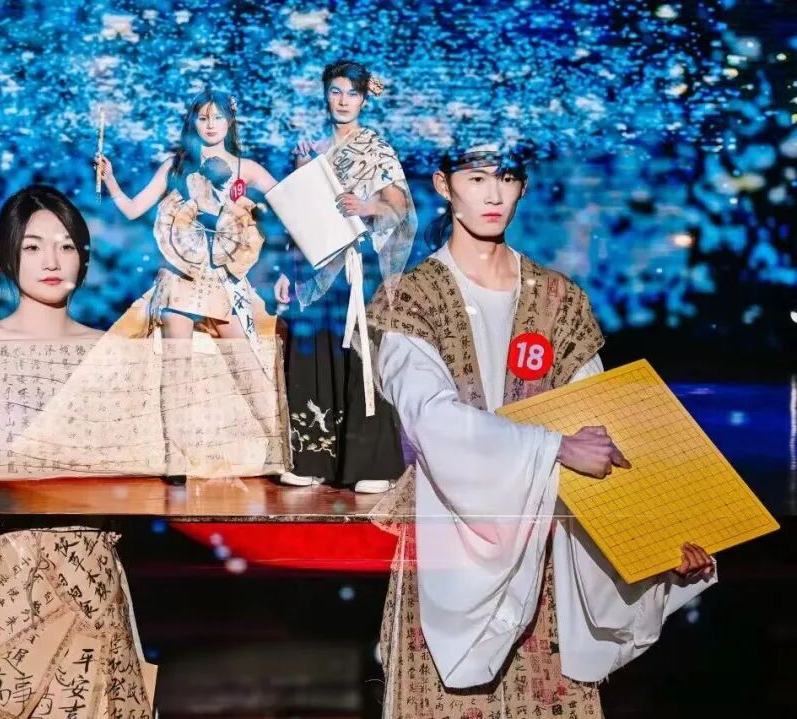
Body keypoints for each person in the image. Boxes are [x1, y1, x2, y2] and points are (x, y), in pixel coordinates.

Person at [368, 144, 717, 717]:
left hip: (550, 551)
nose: (492, 193)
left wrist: (662, 541)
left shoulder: (560, 301)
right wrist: (554, 447)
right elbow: (431, 419)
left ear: (524, 186)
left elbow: (603, 433)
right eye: (475, 178)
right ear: (443, 185)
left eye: (506, 177)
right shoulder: (411, 298)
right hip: (447, 542)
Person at [0, 185, 154, 718]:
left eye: (66, 246)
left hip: (84, 566)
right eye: (33, 246)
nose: (52, 261)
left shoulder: (110, 352)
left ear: (83, 257)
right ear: (5, 254)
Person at [95, 90, 280, 485]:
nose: (211, 125)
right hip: (180, 278)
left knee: (246, 366)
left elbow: (285, 201)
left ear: (230, 121)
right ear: (193, 121)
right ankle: (175, 459)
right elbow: (134, 208)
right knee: (176, 368)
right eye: (203, 117)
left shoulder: (247, 168)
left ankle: (280, 448)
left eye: (218, 117)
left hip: (224, 280)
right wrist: (110, 180)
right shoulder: (177, 165)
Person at [274, 59, 416, 493]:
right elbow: (296, 215)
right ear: (325, 94)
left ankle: (369, 463)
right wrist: (285, 269)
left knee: (360, 359)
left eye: (352, 93)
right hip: (315, 267)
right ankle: (312, 458)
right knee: (311, 356)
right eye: (335, 91)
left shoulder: (376, 148)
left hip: (356, 267)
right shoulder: (311, 147)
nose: (342, 101)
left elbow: (400, 207)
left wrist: (366, 206)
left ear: (364, 99)